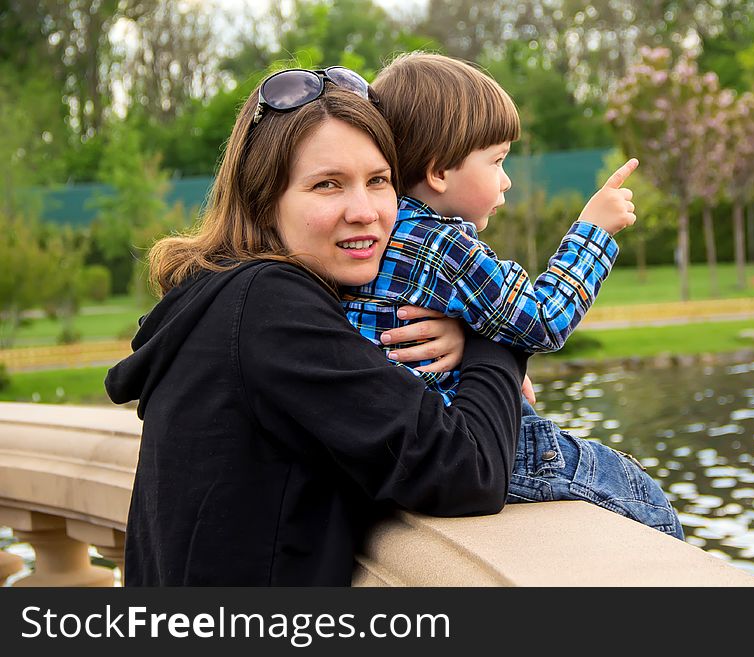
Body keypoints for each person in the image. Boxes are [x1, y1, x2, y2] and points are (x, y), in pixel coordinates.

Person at [104, 69, 529, 586]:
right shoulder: (270, 308)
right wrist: (495, 333)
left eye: (379, 181)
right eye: (327, 185)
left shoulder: (222, 299)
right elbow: (468, 471)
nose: (365, 211)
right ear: (264, 199)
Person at [341, 53, 683, 539]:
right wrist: (593, 233)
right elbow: (543, 320)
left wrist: (470, 339)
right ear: (439, 172)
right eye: (497, 161)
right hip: (475, 436)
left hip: (401, 443)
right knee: (643, 500)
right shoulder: (443, 248)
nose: (506, 179)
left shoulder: (380, 232)